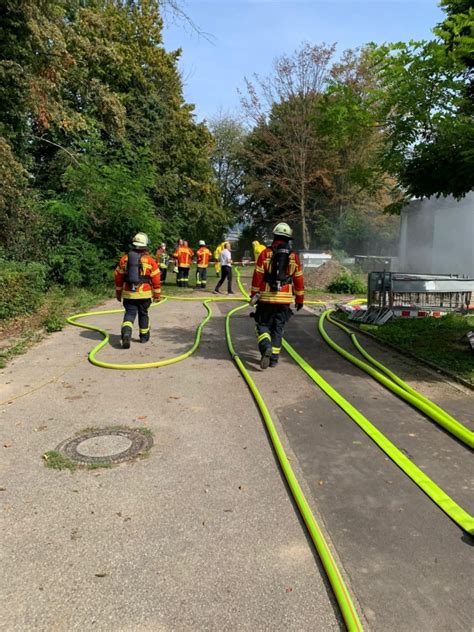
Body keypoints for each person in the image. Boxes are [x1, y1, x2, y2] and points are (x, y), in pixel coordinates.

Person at [250, 222, 304, 369]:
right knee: (278, 328)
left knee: (262, 325)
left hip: (266, 298)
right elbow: (298, 279)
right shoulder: (294, 256)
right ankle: (274, 359)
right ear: (289, 239)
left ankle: (266, 346)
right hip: (284, 300)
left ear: (274, 235)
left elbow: (258, 276)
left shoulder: (265, 253)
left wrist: (254, 295)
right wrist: (299, 299)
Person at [115, 232, 161, 349]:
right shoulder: (150, 261)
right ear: (145, 246)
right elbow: (156, 279)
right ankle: (144, 337)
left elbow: (118, 277)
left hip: (129, 294)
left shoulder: (124, 259)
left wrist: (118, 293)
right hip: (144, 295)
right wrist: (157, 295)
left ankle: (126, 334)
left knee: (129, 315)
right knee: (143, 314)